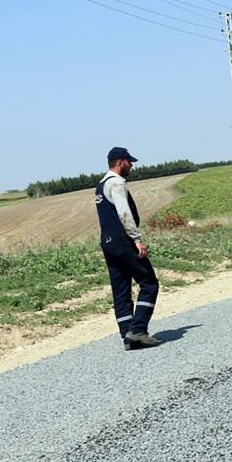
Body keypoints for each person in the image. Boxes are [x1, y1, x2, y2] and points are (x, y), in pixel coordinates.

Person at [95, 147, 160, 349]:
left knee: (121, 289)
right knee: (149, 283)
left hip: (108, 242)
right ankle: (138, 329)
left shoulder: (100, 185)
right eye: (129, 162)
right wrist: (137, 239)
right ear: (121, 162)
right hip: (123, 241)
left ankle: (127, 336)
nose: (131, 165)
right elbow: (124, 214)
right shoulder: (116, 183)